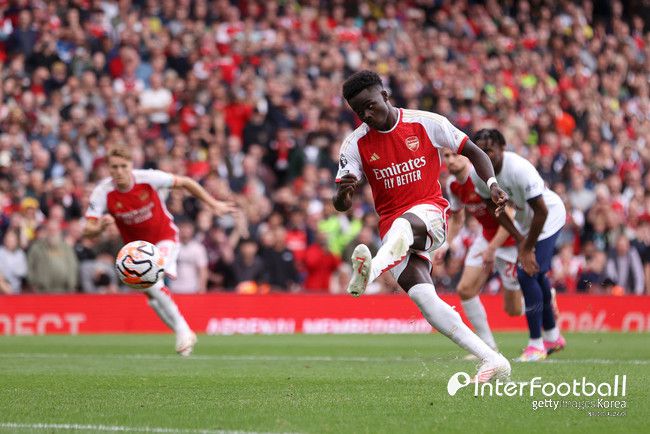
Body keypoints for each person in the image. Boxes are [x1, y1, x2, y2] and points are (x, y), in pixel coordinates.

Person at [334, 70, 511, 382]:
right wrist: (343, 194)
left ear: (385, 96)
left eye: (371, 106)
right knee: (425, 301)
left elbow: (474, 151)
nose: (367, 115)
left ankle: (369, 272)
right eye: (360, 112)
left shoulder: (425, 123)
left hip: (430, 215)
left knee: (404, 226)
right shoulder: (355, 144)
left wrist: (493, 184)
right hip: (392, 233)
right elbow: (341, 204)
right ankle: (493, 359)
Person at [83, 145, 235, 356]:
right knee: (152, 298)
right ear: (108, 168)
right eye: (114, 167)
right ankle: (184, 336)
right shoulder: (103, 192)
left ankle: (183, 329)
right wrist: (99, 227)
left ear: (131, 165)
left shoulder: (148, 178)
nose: (119, 171)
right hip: (135, 251)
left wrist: (213, 204)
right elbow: (87, 230)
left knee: (152, 282)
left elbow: (186, 182)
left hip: (165, 238)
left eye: (123, 166)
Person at [471, 129, 567, 362]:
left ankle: (536, 345)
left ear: (502, 148)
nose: (485, 156)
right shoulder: (478, 175)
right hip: (526, 224)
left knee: (525, 274)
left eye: (489, 150)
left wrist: (525, 247)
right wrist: (519, 238)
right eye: (480, 152)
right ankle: (552, 337)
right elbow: (494, 210)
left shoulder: (519, 169)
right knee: (537, 275)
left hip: (549, 218)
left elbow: (541, 211)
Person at [438, 148, 523, 355]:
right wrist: (446, 244)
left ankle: (545, 297)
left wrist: (492, 249)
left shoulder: (481, 178)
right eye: (446, 156)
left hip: (510, 239)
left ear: (466, 155)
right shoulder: (453, 184)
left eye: (455, 155)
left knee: (514, 310)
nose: (450, 160)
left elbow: (510, 215)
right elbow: (457, 219)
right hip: (486, 237)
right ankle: (488, 347)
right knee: (465, 289)